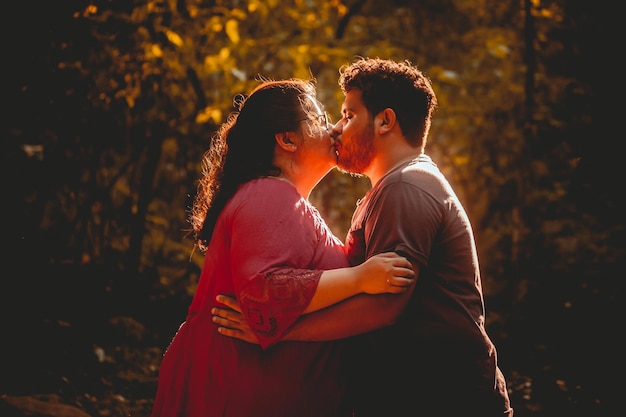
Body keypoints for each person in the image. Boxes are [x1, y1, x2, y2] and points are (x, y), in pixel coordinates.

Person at [213, 58, 514, 417]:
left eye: (348, 115)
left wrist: (276, 330)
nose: (337, 129)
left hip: (448, 398)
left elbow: (384, 306)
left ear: (385, 121)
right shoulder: (391, 188)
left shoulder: (406, 187)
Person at [150, 78, 415, 417]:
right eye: (319, 119)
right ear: (288, 139)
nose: (334, 129)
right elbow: (264, 292)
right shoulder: (267, 194)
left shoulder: (286, 202)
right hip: (237, 392)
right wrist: (360, 279)